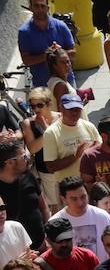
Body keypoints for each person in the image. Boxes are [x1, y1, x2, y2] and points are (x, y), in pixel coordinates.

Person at [17, 0, 76, 89]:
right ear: (30, 8)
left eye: (42, 6)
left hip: (66, 82)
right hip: (42, 86)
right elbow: (26, 60)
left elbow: (73, 53)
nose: (40, 9)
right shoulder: (24, 32)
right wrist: (47, 56)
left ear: (47, 8)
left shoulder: (61, 26)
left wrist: (59, 53)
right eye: (36, 6)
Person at [20, 87, 62, 215]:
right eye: (32, 106)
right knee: (56, 206)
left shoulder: (61, 118)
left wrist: (46, 128)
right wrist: (46, 131)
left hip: (65, 165)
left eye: (39, 105)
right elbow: (32, 148)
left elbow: (61, 143)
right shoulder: (29, 123)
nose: (36, 109)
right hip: (46, 170)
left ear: (49, 103)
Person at [42, 95, 101, 183]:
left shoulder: (89, 126)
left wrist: (94, 150)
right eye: (71, 109)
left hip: (91, 182)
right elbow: (51, 167)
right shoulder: (51, 133)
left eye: (78, 109)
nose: (75, 113)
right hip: (70, 187)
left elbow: (102, 150)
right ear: (61, 109)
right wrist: (75, 156)